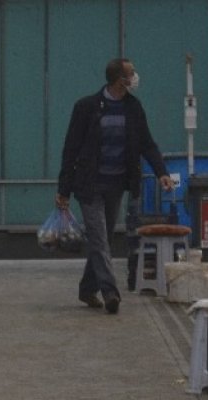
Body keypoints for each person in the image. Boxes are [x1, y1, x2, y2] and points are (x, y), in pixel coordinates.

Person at [56, 57, 174, 314]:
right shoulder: (87, 107)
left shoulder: (133, 108)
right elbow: (71, 149)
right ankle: (110, 292)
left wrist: (161, 172)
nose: (135, 77)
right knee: (99, 239)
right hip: (89, 185)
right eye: (131, 73)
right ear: (119, 79)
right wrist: (63, 189)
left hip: (116, 184)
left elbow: (146, 143)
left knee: (104, 238)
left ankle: (87, 289)